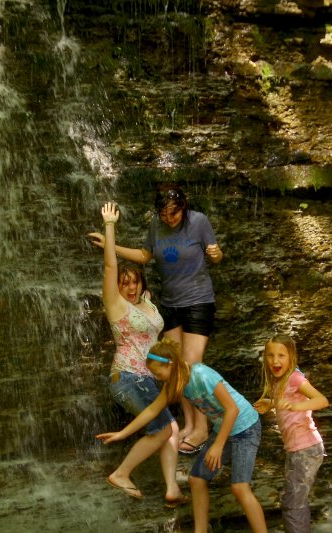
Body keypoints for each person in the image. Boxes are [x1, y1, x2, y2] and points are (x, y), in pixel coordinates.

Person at [89, 185, 222, 454]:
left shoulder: (198, 221)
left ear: (183, 207)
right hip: (171, 303)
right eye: (163, 214)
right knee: (175, 367)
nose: (168, 218)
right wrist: (109, 245)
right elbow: (144, 256)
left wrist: (217, 255)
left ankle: (202, 428)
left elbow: (215, 253)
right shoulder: (156, 226)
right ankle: (186, 424)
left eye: (173, 213)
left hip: (197, 301)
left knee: (192, 366)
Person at [96, 338, 267, 533]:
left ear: (170, 364)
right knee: (197, 479)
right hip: (225, 429)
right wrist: (122, 434)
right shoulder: (173, 384)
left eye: (158, 373)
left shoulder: (201, 374)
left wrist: (218, 446)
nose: (157, 378)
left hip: (246, 427)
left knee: (239, 487)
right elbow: (152, 410)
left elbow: (232, 410)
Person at [90, 202, 187, 507]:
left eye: (134, 282)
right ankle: (121, 473)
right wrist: (109, 227)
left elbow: (154, 337)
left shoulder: (147, 303)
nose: (129, 288)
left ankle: (171, 488)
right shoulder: (116, 304)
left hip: (151, 378)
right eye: (124, 283)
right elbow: (110, 267)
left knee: (169, 428)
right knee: (165, 428)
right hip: (128, 378)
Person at [253, 334, 329, 533]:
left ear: (291, 357)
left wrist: (297, 405)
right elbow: (285, 404)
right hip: (296, 450)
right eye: (270, 355)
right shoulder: (278, 381)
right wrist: (271, 404)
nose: (275, 361)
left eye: (281, 355)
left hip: (306, 449)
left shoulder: (295, 378)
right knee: (291, 499)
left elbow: (322, 400)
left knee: (294, 503)